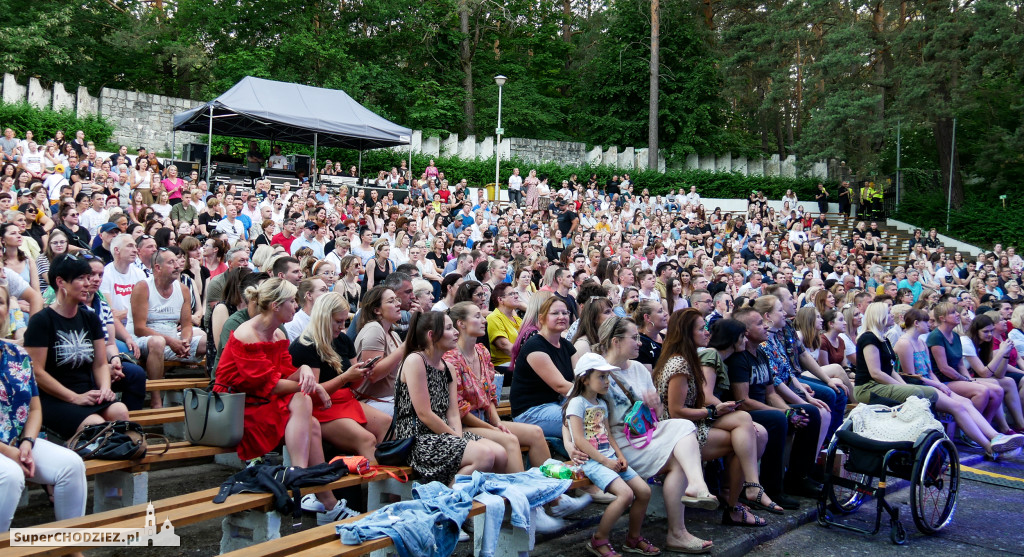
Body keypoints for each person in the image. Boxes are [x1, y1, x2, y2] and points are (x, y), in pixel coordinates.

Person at [214, 278, 351, 523]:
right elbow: (270, 384)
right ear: (276, 306)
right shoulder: (247, 334)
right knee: (306, 408)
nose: (296, 307)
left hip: (261, 400)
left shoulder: (277, 332)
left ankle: (307, 484)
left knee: (309, 415)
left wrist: (307, 370)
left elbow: (284, 373)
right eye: (291, 301)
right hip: (237, 405)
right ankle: (315, 492)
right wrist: (311, 383)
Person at [590, 320, 716, 553]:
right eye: (634, 338)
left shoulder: (638, 368)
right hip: (618, 443)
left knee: (683, 430)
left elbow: (655, 416)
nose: (640, 343)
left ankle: (690, 503)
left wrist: (655, 405)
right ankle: (680, 525)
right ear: (616, 341)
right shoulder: (596, 372)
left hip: (645, 435)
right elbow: (577, 409)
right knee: (681, 448)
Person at [655, 309, 780, 524]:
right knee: (751, 437)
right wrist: (713, 410)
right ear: (687, 333)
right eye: (701, 328)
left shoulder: (690, 358)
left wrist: (716, 410)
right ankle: (735, 505)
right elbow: (675, 412)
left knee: (745, 421)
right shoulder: (679, 364)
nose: (707, 333)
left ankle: (750, 487)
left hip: (692, 422)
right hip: (679, 432)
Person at [0, 284, 87, 532]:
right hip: (5, 449)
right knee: (10, 475)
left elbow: (35, 409)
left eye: (0, 302)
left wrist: (26, 443)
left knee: (71, 464)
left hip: (18, 441)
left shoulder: (17, 354)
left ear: (7, 310)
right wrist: (11, 453)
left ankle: (70, 546)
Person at [391, 310, 507, 485]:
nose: (456, 332)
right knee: (484, 456)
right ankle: (447, 501)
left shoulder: (448, 367)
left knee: (500, 454)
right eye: (449, 328)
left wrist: (457, 437)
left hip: (444, 435)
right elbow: (424, 414)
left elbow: (453, 413)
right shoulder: (415, 361)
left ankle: (480, 503)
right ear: (432, 335)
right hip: (417, 439)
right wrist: (456, 440)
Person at [564, 353, 659, 557]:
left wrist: (618, 455)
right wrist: (605, 461)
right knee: (625, 495)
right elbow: (579, 440)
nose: (607, 382)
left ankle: (633, 539)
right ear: (585, 379)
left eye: (607, 377)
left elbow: (607, 434)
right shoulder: (577, 404)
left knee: (644, 491)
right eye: (601, 377)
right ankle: (599, 539)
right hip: (592, 461)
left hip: (609, 458)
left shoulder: (602, 403)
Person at [892, 308, 1022, 457]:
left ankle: (995, 437)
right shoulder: (904, 343)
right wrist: (939, 385)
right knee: (959, 406)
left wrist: (939, 384)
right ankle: (988, 445)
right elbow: (912, 376)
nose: (930, 324)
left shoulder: (921, 342)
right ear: (916, 323)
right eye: (926, 321)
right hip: (918, 388)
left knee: (966, 403)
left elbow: (930, 372)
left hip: (932, 384)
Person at [25, 255, 129, 438]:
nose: (88, 283)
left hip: (87, 391)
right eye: (81, 278)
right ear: (61, 282)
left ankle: (126, 460)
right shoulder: (41, 321)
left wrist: (105, 388)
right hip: (54, 398)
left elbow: (99, 364)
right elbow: (37, 372)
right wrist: (74, 398)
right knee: (95, 424)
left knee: (120, 410)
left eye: (88, 278)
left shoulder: (91, 318)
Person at [290, 293, 390, 462]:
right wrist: (345, 377)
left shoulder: (342, 340)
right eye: (338, 321)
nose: (342, 326)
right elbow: (313, 393)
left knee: (386, 424)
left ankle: (381, 484)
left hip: (346, 400)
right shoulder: (304, 346)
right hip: (320, 407)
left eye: (345, 321)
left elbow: (353, 384)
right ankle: (371, 483)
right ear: (323, 318)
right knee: (366, 439)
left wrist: (362, 372)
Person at [128, 248, 207, 408]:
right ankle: (156, 397)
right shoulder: (143, 287)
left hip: (172, 340)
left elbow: (186, 325)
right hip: (144, 342)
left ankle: (210, 387)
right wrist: (171, 341)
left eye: (177, 262)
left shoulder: (183, 290)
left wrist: (185, 341)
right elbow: (139, 329)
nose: (177, 266)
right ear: (157, 267)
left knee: (207, 341)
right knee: (157, 342)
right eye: (171, 262)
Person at [509, 296, 581, 437]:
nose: (562, 316)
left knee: (596, 412)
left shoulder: (567, 345)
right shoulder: (535, 346)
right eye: (555, 313)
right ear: (541, 318)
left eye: (565, 313)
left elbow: (581, 377)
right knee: (584, 419)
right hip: (531, 411)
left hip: (557, 404)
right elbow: (560, 386)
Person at [353, 286, 405, 416]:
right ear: (377, 310)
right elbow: (373, 375)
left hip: (390, 399)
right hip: (369, 402)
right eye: (391, 301)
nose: (398, 304)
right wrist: (406, 347)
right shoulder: (374, 329)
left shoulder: (394, 335)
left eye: (397, 299)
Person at [485, 282, 521, 372]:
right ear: (500, 300)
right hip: (503, 365)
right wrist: (529, 357)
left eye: (516, 293)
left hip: (519, 361)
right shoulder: (493, 317)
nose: (516, 296)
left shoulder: (517, 319)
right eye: (511, 294)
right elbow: (504, 345)